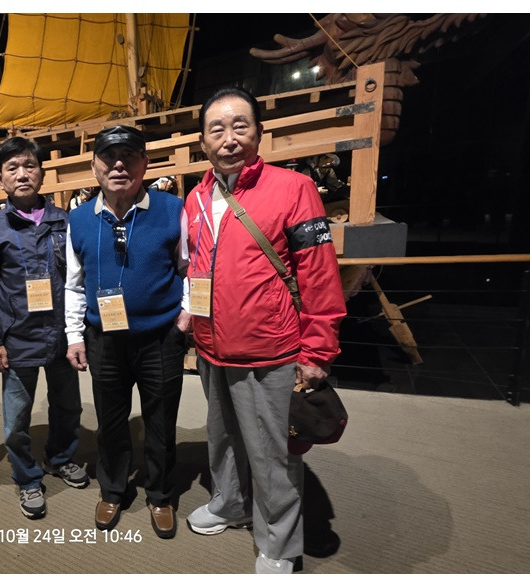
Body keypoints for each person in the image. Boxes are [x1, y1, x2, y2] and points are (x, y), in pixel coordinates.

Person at [182, 87, 346, 573]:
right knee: (222, 438)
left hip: (270, 348)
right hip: (211, 346)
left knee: (273, 453)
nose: (229, 138)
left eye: (240, 126)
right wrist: (190, 315)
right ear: (203, 141)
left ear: (258, 133)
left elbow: (318, 274)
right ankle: (230, 503)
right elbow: (197, 267)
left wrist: (317, 350)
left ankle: (279, 543)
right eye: (216, 129)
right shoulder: (195, 197)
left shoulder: (293, 188)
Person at [64, 125, 190, 539]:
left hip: (160, 337)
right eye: (109, 157)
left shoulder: (172, 208)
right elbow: (74, 283)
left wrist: (185, 317)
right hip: (104, 340)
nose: (119, 165)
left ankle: (160, 494)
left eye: (129, 157)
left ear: (144, 164)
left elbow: (188, 268)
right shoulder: (80, 218)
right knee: (111, 421)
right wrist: (74, 335)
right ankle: (113, 490)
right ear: (94, 166)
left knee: (161, 421)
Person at [0, 137, 89, 520]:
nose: (22, 174)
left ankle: (60, 458)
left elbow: (78, 280)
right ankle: (26, 477)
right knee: (16, 420)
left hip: (60, 335)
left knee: (68, 407)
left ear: (41, 173)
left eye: (29, 166)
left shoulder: (64, 221)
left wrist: (78, 332)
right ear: (0, 179)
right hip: (17, 338)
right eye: (12, 168)